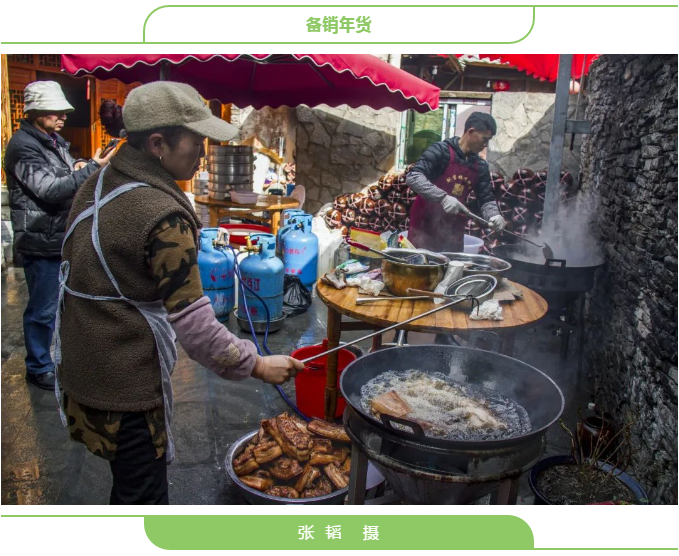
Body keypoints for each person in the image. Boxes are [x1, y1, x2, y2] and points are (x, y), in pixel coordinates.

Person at [55, 81, 304, 504]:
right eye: (197, 141)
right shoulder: (162, 215)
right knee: (143, 499)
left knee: (128, 487)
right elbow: (198, 331)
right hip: (124, 384)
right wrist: (258, 364)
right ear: (158, 143)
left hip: (82, 363)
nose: (203, 152)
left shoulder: (98, 182)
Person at [3, 81, 114, 390]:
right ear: (35, 111)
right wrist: (91, 166)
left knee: (61, 305)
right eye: (56, 111)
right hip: (40, 240)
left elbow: (63, 175)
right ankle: (38, 367)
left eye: (64, 111)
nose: (63, 116)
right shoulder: (23, 146)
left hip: (59, 236)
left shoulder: (53, 141)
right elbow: (50, 189)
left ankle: (56, 358)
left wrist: (78, 164)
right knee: (43, 309)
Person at [407, 112, 506, 252]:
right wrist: (443, 198)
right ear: (471, 131)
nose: (485, 145)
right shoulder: (440, 151)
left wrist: (494, 215)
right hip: (425, 226)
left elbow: (486, 199)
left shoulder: (480, 166)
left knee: (452, 269)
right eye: (484, 139)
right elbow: (414, 177)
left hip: (453, 229)